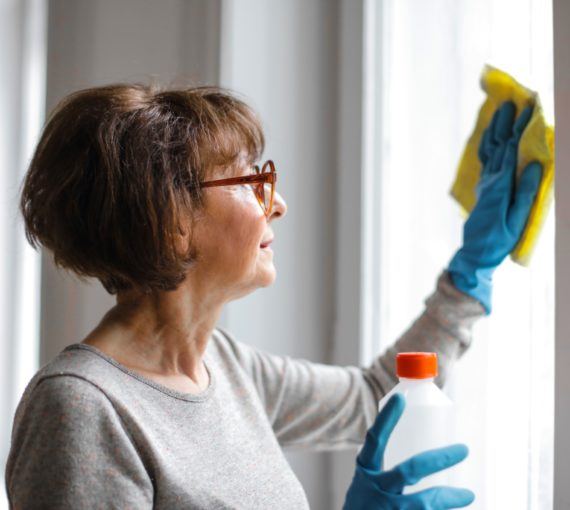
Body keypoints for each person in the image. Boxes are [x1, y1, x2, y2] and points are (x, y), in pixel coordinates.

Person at [4, 83, 539, 509]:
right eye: (248, 180)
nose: (277, 203)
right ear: (170, 220)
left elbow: (374, 397)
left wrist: (470, 271)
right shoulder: (82, 409)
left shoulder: (226, 367)